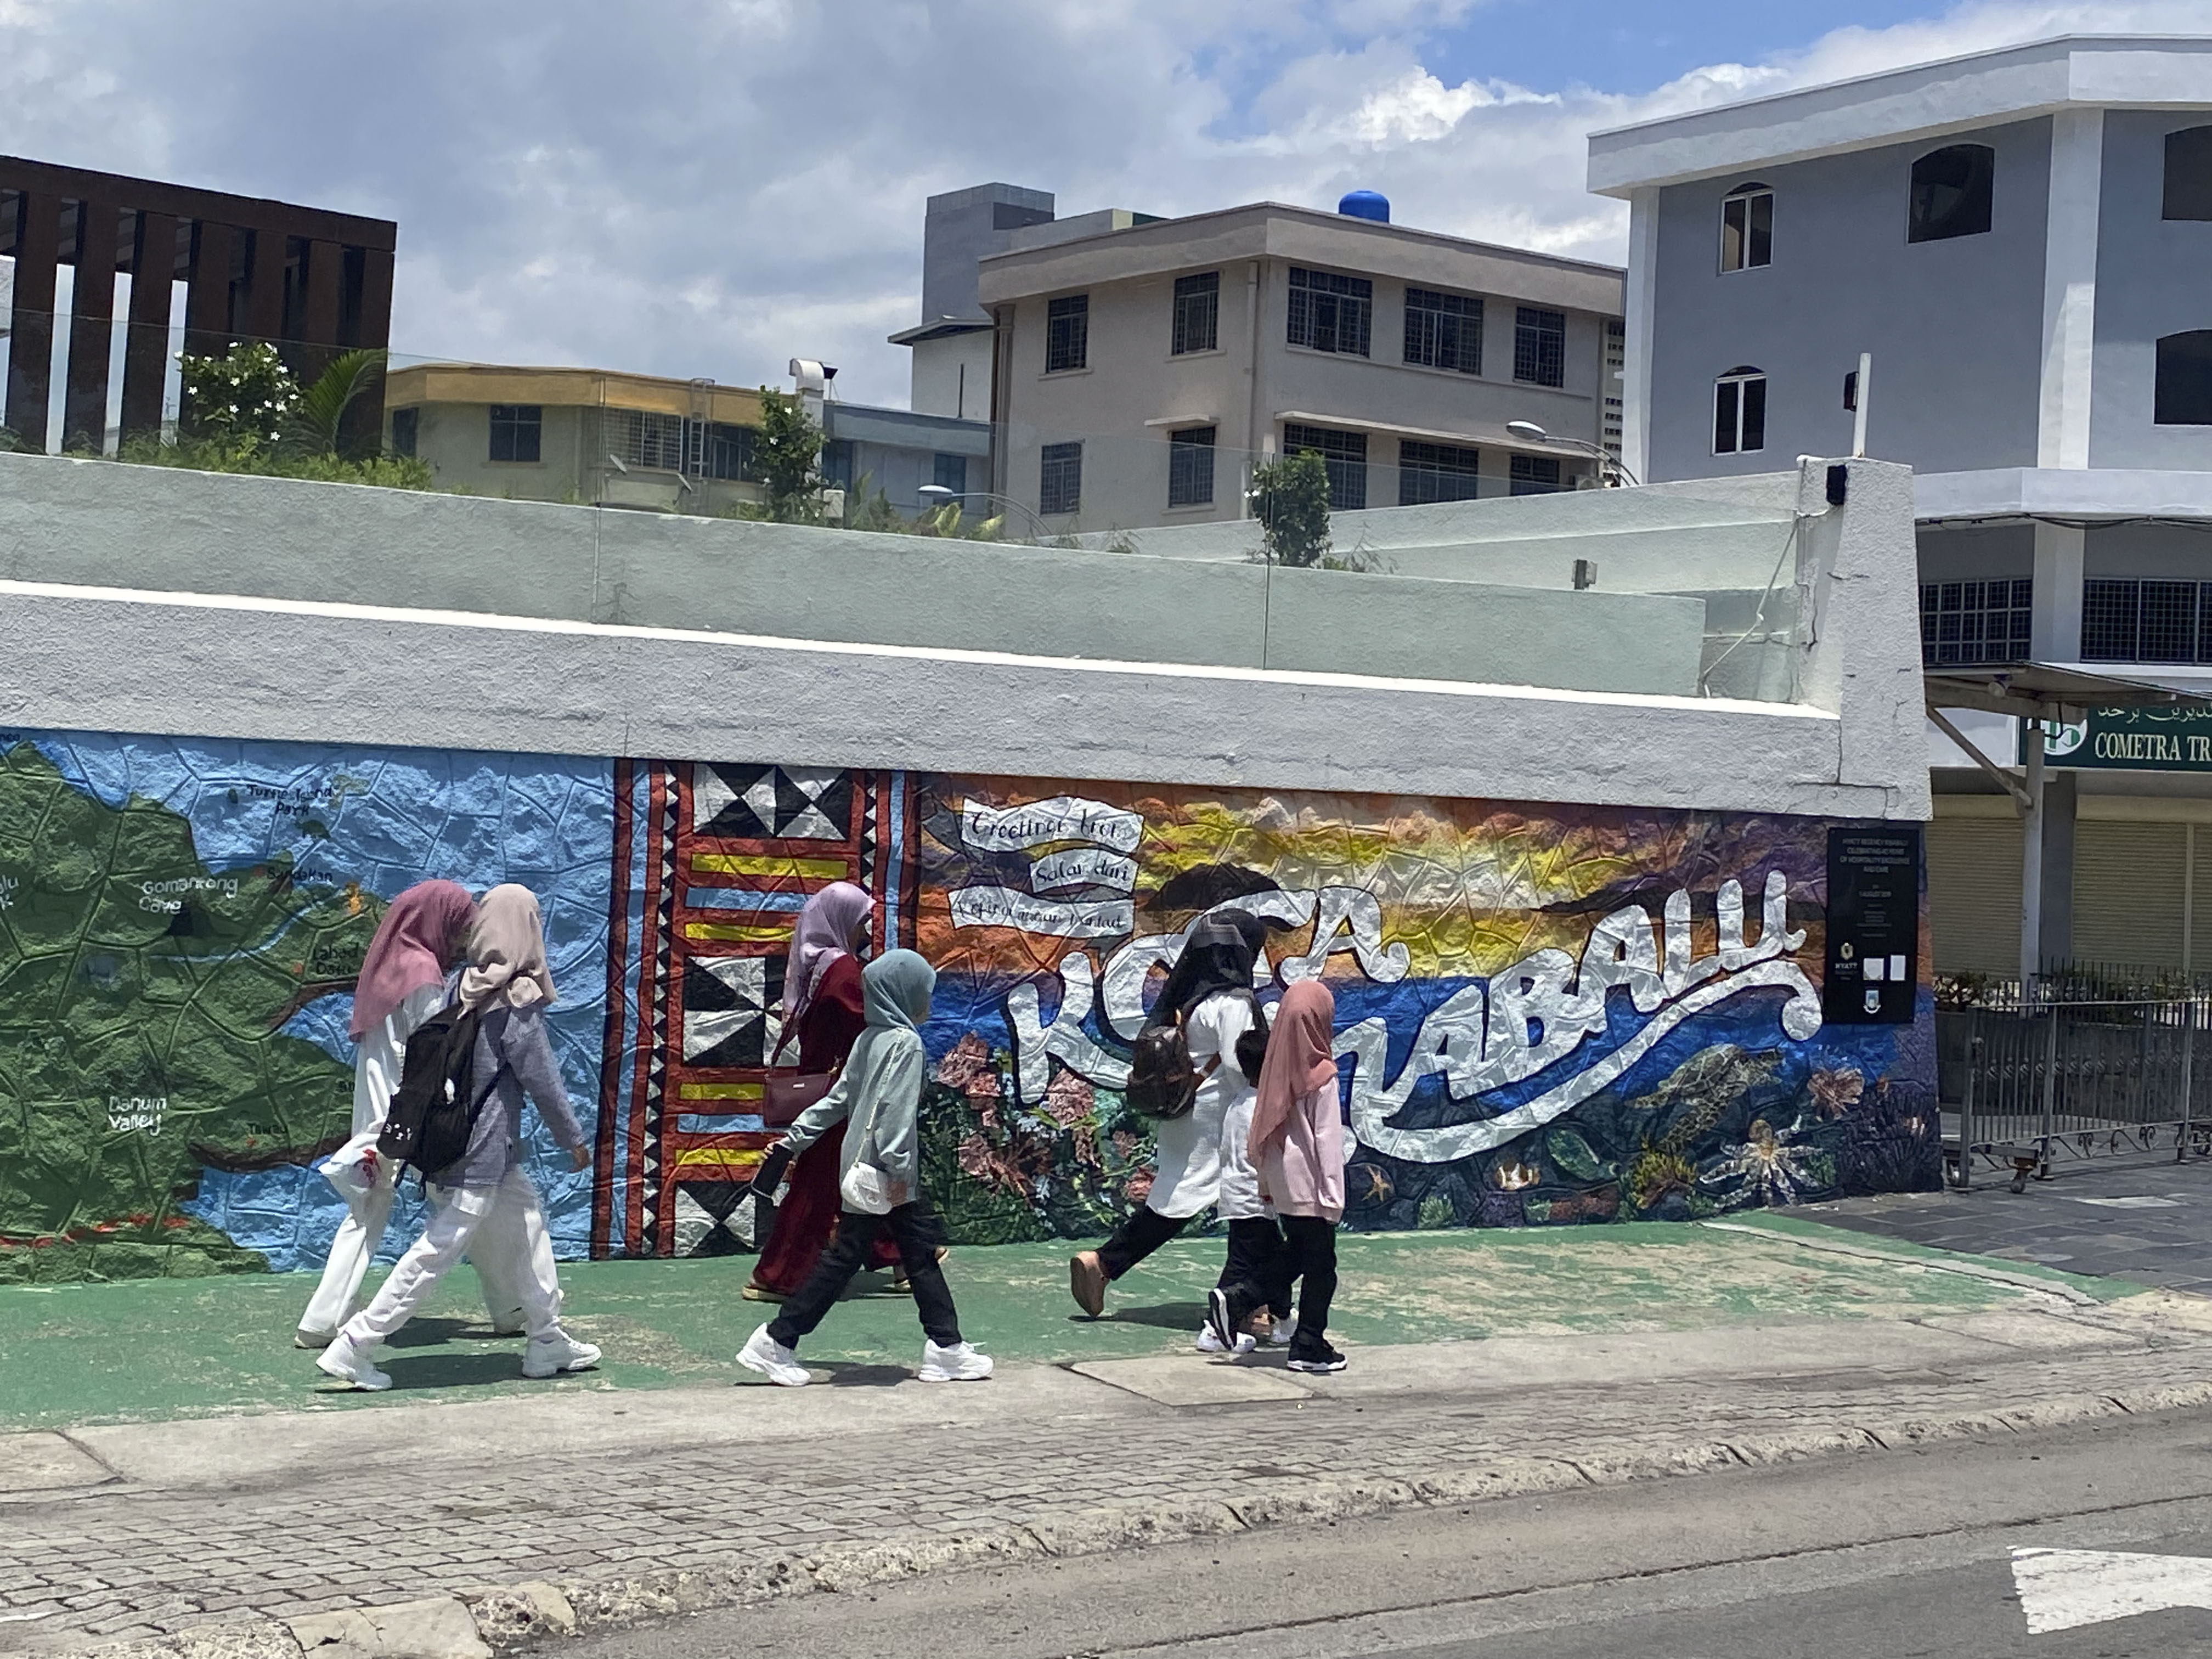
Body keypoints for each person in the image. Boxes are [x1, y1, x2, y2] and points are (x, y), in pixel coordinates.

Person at [316, 885, 601, 1391]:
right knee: (436, 1252)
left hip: (459, 1143)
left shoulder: (460, 986)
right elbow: (542, 1079)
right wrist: (572, 1138)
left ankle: (547, 1338)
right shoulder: (517, 1000)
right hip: (481, 1150)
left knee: (529, 1222)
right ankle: (356, 1344)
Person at [737, 951, 991, 1387]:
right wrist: (896, 1173)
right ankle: (777, 1340)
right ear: (904, 995)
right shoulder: (907, 1045)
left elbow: (837, 1101)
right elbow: (894, 1114)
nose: (927, 1001)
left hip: (858, 1169)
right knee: (863, 1260)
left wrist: (793, 1140)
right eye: (922, 992)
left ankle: (946, 1347)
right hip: (887, 1178)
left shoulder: (868, 1040)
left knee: (915, 1256)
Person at [297, 879, 531, 1349]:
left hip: (379, 1112)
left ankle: (509, 1307)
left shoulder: (385, 968)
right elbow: (433, 1048)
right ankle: (324, 1321)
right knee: (452, 1200)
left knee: (439, 1203)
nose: (464, 939)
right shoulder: (423, 974)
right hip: (410, 1114)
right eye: (461, 927)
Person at [1069, 915, 1281, 1345]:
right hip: (1222, 1123)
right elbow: (1243, 1067)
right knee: (1251, 1210)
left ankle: (1105, 1263)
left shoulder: (1194, 1000)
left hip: (1188, 1114)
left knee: (1176, 1200)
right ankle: (1244, 1305)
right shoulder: (1235, 1002)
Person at [742, 882, 902, 1301]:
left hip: (830, 1088)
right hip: (840, 1094)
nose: (869, 930)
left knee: (859, 1174)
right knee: (819, 1184)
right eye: (863, 920)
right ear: (841, 920)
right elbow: (868, 1026)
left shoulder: (819, 965)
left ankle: (900, 1252)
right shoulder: (844, 972)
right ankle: (779, 1275)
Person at [1209, 979, 1347, 1374]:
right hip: (1315, 1187)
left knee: (1299, 1255)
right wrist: (1334, 1197)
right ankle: (1308, 1344)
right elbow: (1327, 1141)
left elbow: (1263, 1133)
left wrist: (1267, 1186)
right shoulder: (1320, 1074)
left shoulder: (1273, 1075)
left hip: (1283, 1187)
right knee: (1322, 1267)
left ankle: (1241, 1300)